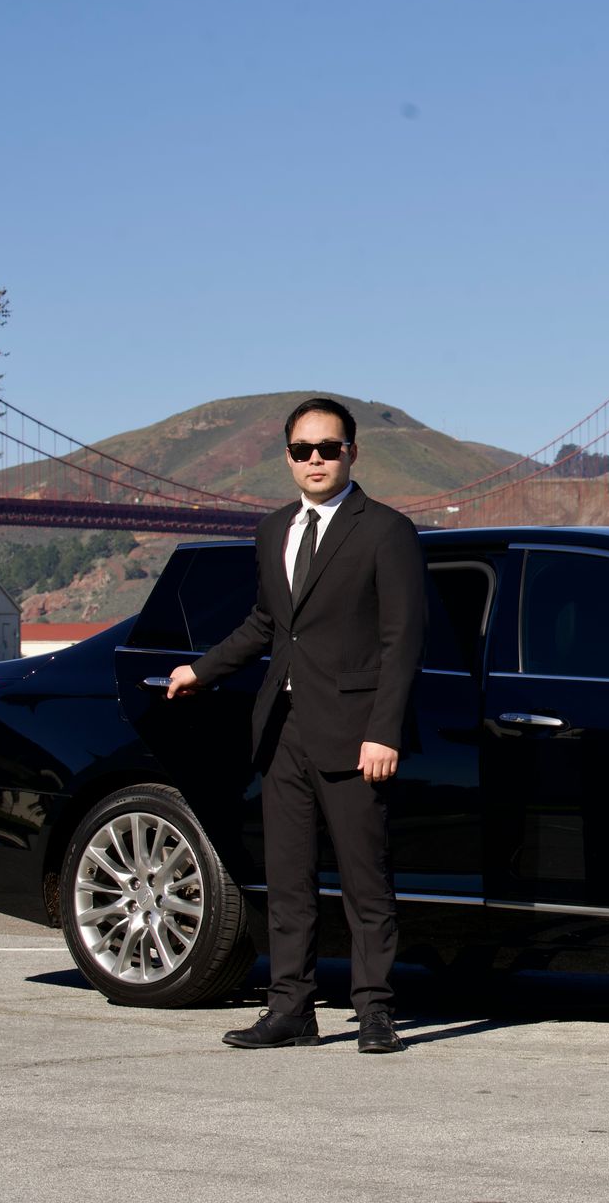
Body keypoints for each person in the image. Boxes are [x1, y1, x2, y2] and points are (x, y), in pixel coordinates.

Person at [167, 397, 425, 1054]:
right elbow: (265, 623)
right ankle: (292, 1010)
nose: (315, 459)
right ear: (288, 458)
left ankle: (374, 1012)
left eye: (328, 448)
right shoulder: (273, 529)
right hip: (282, 729)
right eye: (303, 450)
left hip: (354, 732)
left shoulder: (385, 530)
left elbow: (403, 640)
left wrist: (384, 730)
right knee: (288, 883)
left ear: (352, 454)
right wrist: (203, 671)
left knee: (366, 882)